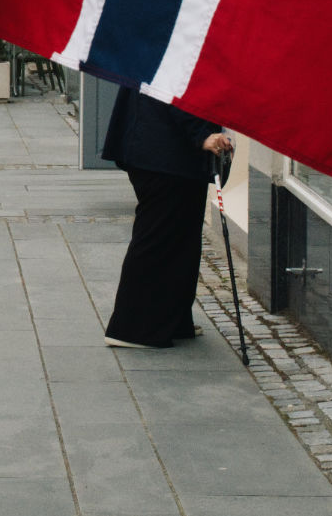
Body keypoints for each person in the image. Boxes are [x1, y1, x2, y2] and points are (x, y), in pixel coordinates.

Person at [100, 86, 235, 349]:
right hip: (164, 150)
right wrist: (201, 134)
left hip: (163, 148)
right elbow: (173, 85)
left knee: (182, 240)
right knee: (159, 237)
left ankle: (172, 320)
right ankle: (131, 328)